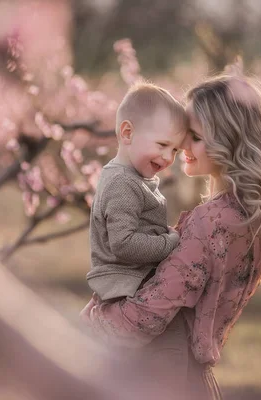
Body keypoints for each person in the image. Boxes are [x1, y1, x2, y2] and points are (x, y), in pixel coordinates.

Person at [81, 74, 261, 399]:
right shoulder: (253, 219)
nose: (182, 146)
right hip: (194, 379)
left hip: (158, 375)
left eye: (195, 137)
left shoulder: (213, 222)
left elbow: (146, 317)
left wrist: (89, 324)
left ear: (228, 142)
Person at [86, 82, 187, 302]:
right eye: (162, 144)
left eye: (175, 150)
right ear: (128, 133)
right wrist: (168, 243)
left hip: (132, 279)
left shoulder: (131, 178)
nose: (169, 158)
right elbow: (124, 244)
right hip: (125, 285)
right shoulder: (122, 183)